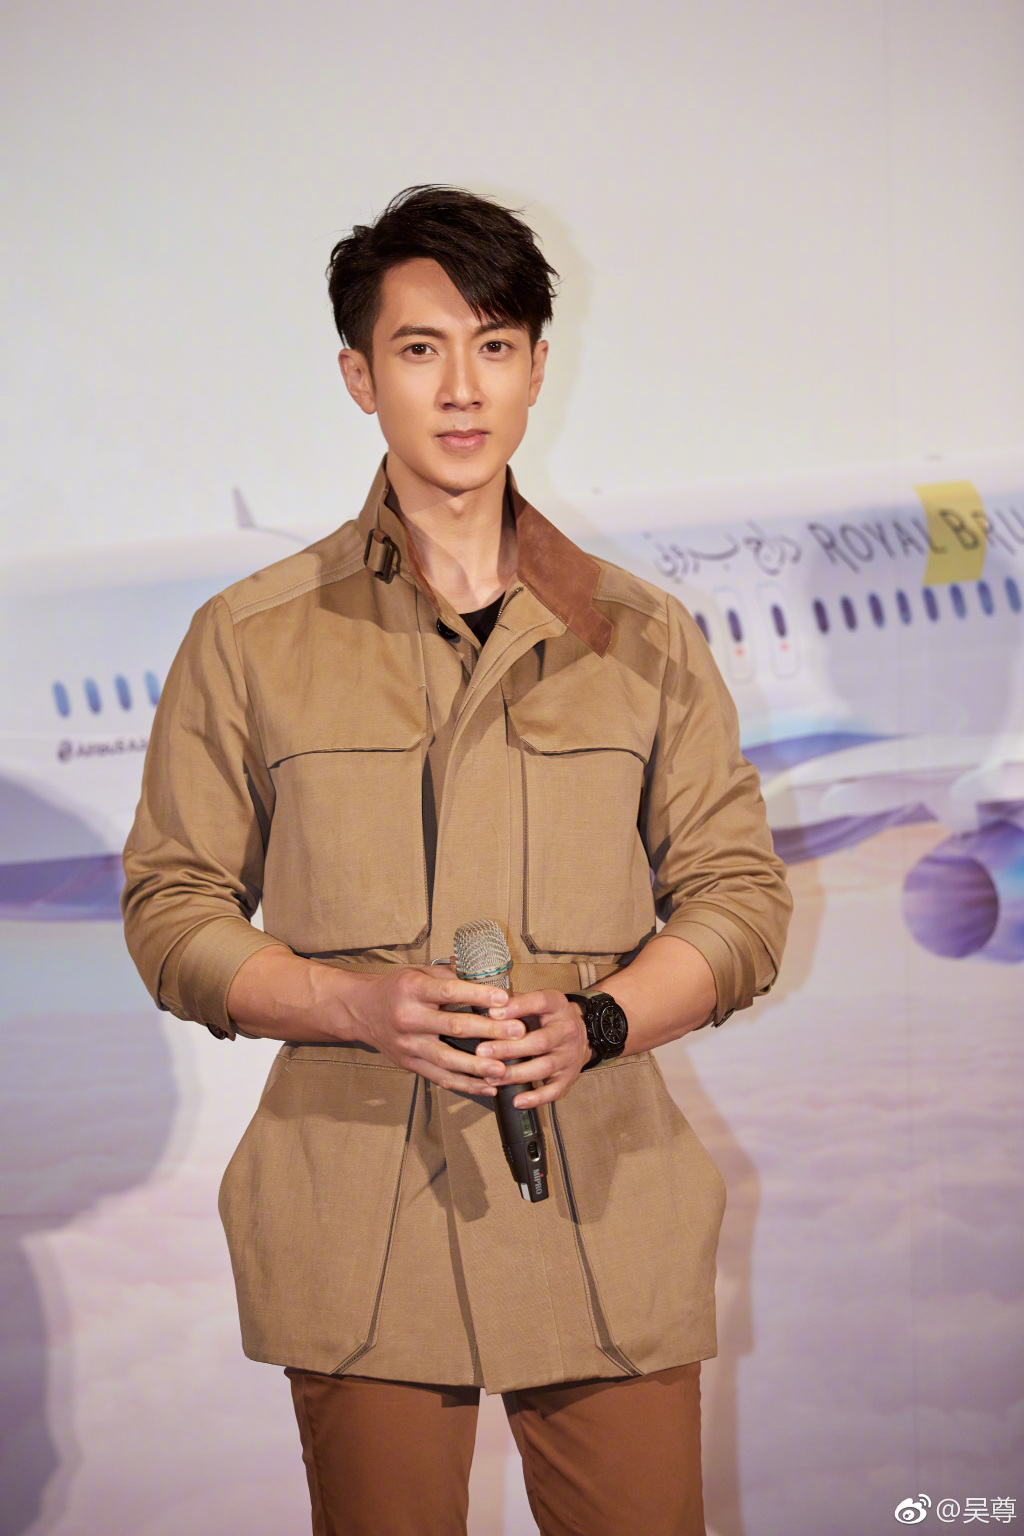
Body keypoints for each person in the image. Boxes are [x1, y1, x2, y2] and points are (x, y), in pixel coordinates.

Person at [122, 184, 792, 1536]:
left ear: (539, 366)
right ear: (359, 376)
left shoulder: (643, 636)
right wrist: (349, 1004)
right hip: (358, 1227)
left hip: (606, 1213)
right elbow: (172, 908)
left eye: (495, 345)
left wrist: (603, 1021)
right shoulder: (251, 639)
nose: (463, 387)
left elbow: (739, 899)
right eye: (420, 349)